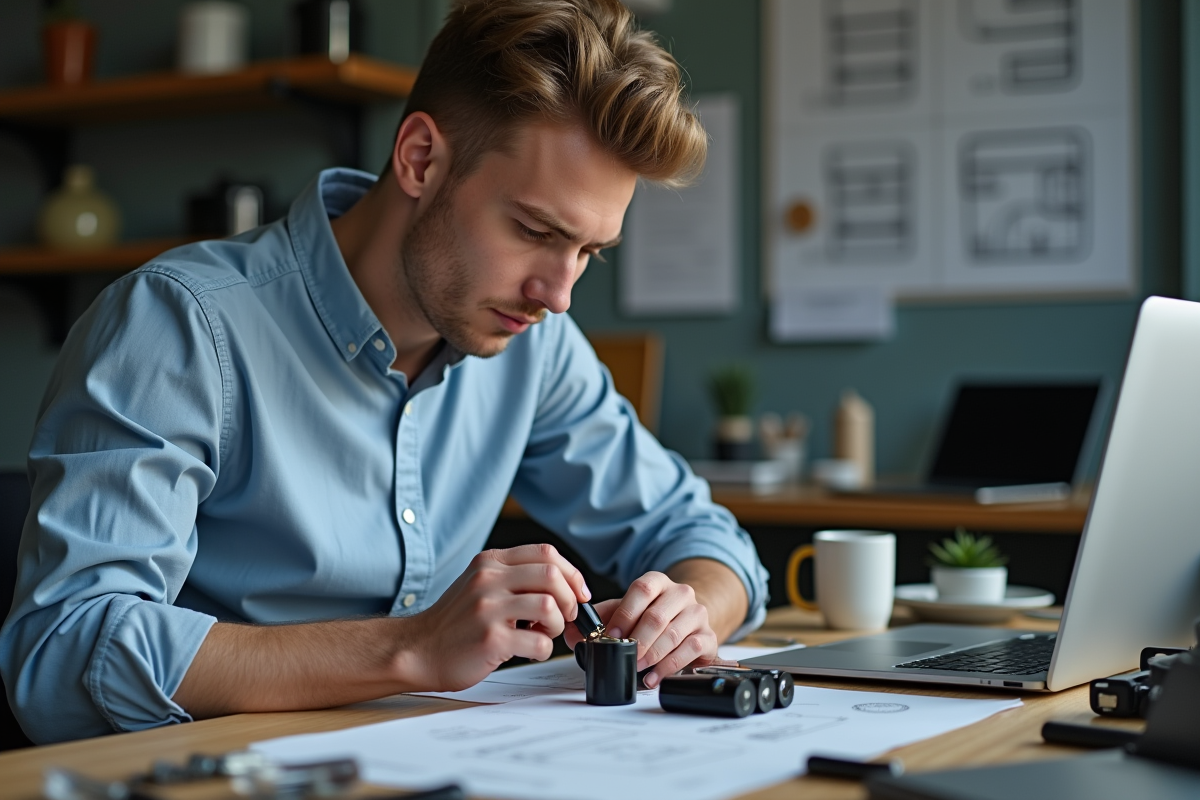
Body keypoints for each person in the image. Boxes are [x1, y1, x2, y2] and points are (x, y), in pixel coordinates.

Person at [0, 0, 768, 744]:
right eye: (535, 230)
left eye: (589, 252)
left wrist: (688, 609)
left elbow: (705, 539)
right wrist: (410, 648)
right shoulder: (179, 327)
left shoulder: (534, 347)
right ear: (421, 158)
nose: (559, 294)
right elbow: (64, 651)